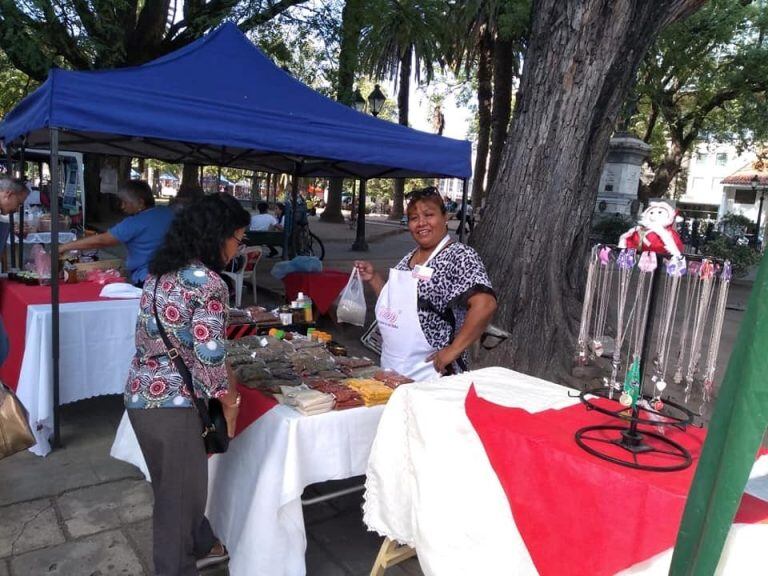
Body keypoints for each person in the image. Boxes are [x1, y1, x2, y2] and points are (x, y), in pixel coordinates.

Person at [125, 193, 250, 575]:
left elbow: (152, 338)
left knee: (170, 489)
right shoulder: (209, 283)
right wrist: (230, 401)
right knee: (176, 508)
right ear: (218, 235)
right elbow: (210, 361)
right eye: (238, 238)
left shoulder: (158, 273)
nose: (239, 247)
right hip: (175, 408)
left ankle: (204, 542)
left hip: (141, 397)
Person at [354, 186, 497, 381]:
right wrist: (373, 279)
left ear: (445, 217)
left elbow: (485, 305)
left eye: (429, 215)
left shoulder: (460, 255)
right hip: (393, 368)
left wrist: (453, 350)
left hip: (432, 374)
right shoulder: (408, 258)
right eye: (414, 218)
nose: (421, 223)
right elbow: (395, 306)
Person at [59, 180, 174, 287]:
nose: (122, 206)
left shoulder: (134, 223)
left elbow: (102, 240)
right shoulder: (167, 213)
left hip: (146, 279)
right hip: (172, 276)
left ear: (140, 202)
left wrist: (65, 246)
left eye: (125, 202)